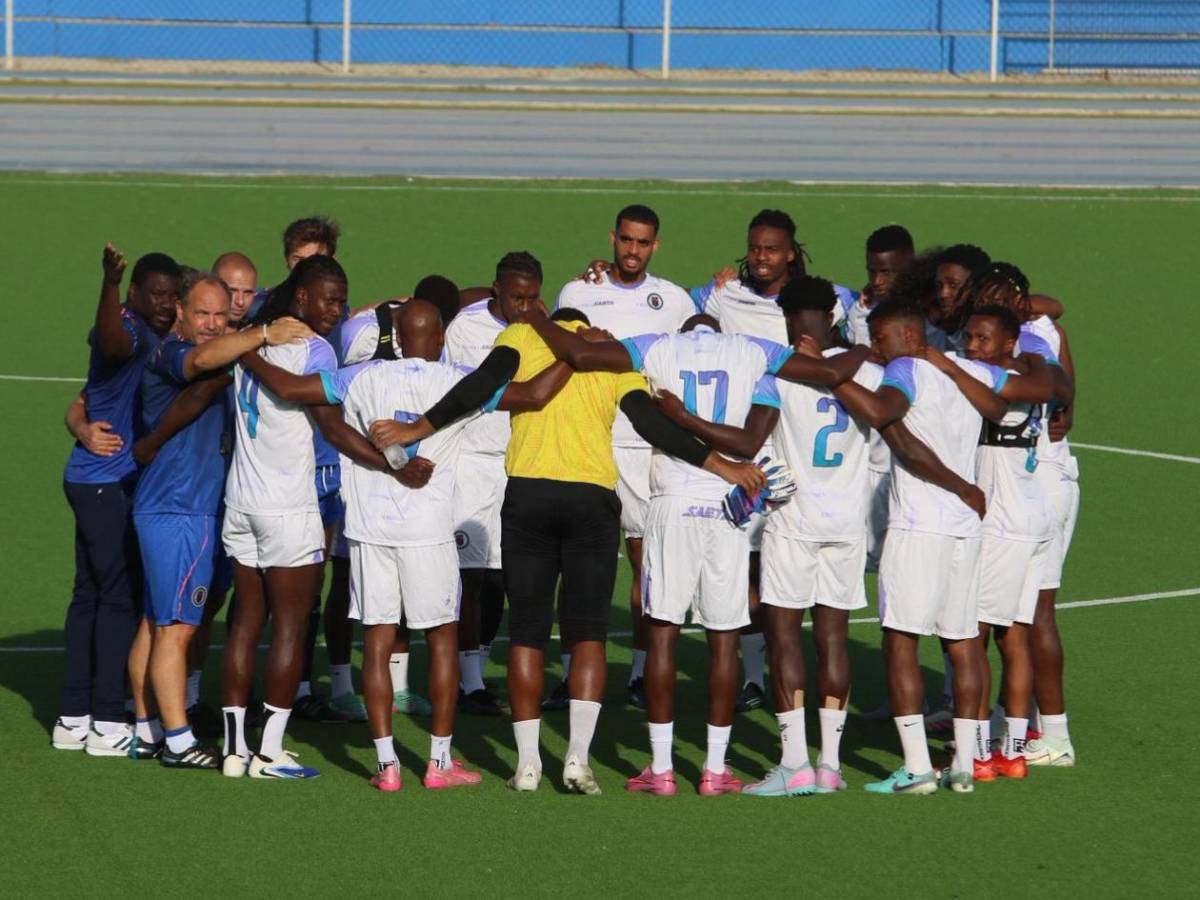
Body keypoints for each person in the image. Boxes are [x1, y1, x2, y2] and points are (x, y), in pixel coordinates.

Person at [364, 251, 766, 795]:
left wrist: (418, 428)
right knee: (588, 634)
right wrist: (722, 464)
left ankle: (528, 765)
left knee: (528, 633)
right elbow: (653, 426)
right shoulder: (607, 354)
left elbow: (480, 384)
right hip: (591, 501)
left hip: (528, 495)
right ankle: (576, 759)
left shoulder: (520, 337)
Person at [129, 272, 313, 768]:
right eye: (202, 313)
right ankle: (179, 742)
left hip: (171, 508)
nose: (212, 324)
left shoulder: (206, 349)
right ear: (181, 313)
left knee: (154, 623)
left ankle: (146, 729)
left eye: (219, 314)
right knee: (177, 630)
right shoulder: (174, 353)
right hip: (182, 510)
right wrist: (263, 335)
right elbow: (202, 364)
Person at [219, 255, 388, 779]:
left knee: (245, 624)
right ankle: (270, 751)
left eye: (342, 300)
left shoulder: (250, 339)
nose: (337, 310)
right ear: (302, 297)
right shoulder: (313, 349)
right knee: (291, 628)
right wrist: (390, 465)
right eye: (329, 299)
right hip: (289, 509)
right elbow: (333, 430)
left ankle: (233, 750)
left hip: (240, 502)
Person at [690, 209, 857, 713]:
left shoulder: (830, 298)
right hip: (747, 442)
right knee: (744, 570)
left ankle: (778, 689)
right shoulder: (722, 294)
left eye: (772, 249)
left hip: (790, 449)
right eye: (755, 248)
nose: (762, 257)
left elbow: (872, 316)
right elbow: (669, 308)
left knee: (779, 579)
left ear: (791, 252)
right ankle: (754, 678)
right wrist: (601, 274)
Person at [552, 205, 696, 710]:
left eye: (643, 242)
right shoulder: (577, 293)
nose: (633, 251)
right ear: (613, 238)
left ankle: (638, 674)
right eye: (626, 240)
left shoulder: (674, 301)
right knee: (576, 565)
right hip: (587, 441)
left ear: (656, 245)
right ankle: (568, 677)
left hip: (641, 448)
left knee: (644, 563)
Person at [53, 246, 181, 757]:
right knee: (117, 599)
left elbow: (82, 400)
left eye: (172, 296)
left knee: (88, 593)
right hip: (107, 483)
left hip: (91, 480)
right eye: (157, 295)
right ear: (134, 293)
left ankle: (72, 718)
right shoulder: (128, 329)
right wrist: (107, 282)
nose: (166, 304)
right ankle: (107, 720)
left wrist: (79, 423)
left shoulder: (150, 329)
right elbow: (109, 339)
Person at [953, 299, 1071, 780]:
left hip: (1001, 524)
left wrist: (941, 362)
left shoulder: (993, 380)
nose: (971, 346)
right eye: (969, 337)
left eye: (982, 339)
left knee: (976, 636)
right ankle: (1014, 752)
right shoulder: (1034, 374)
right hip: (1033, 514)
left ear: (1007, 342)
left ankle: (980, 754)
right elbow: (1054, 382)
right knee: (1015, 636)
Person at [975, 266, 1081, 767]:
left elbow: (1058, 386)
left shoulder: (1033, 338)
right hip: (1030, 487)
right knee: (1014, 621)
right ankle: (1012, 725)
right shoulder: (1026, 327)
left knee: (1030, 616)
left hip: (1040, 485)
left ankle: (1053, 735)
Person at [444, 256, 549, 716]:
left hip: (517, 463)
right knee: (469, 575)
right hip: (469, 463)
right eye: (515, 297)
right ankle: (467, 684)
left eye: (532, 297)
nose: (524, 307)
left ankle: (477, 672)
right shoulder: (464, 328)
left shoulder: (542, 329)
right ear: (496, 290)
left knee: (504, 576)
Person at [845, 224, 915, 347]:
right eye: (872, 272)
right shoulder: (862, 311)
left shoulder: (932, 309)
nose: (877, 281)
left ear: (909, 264)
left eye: (886, 272)